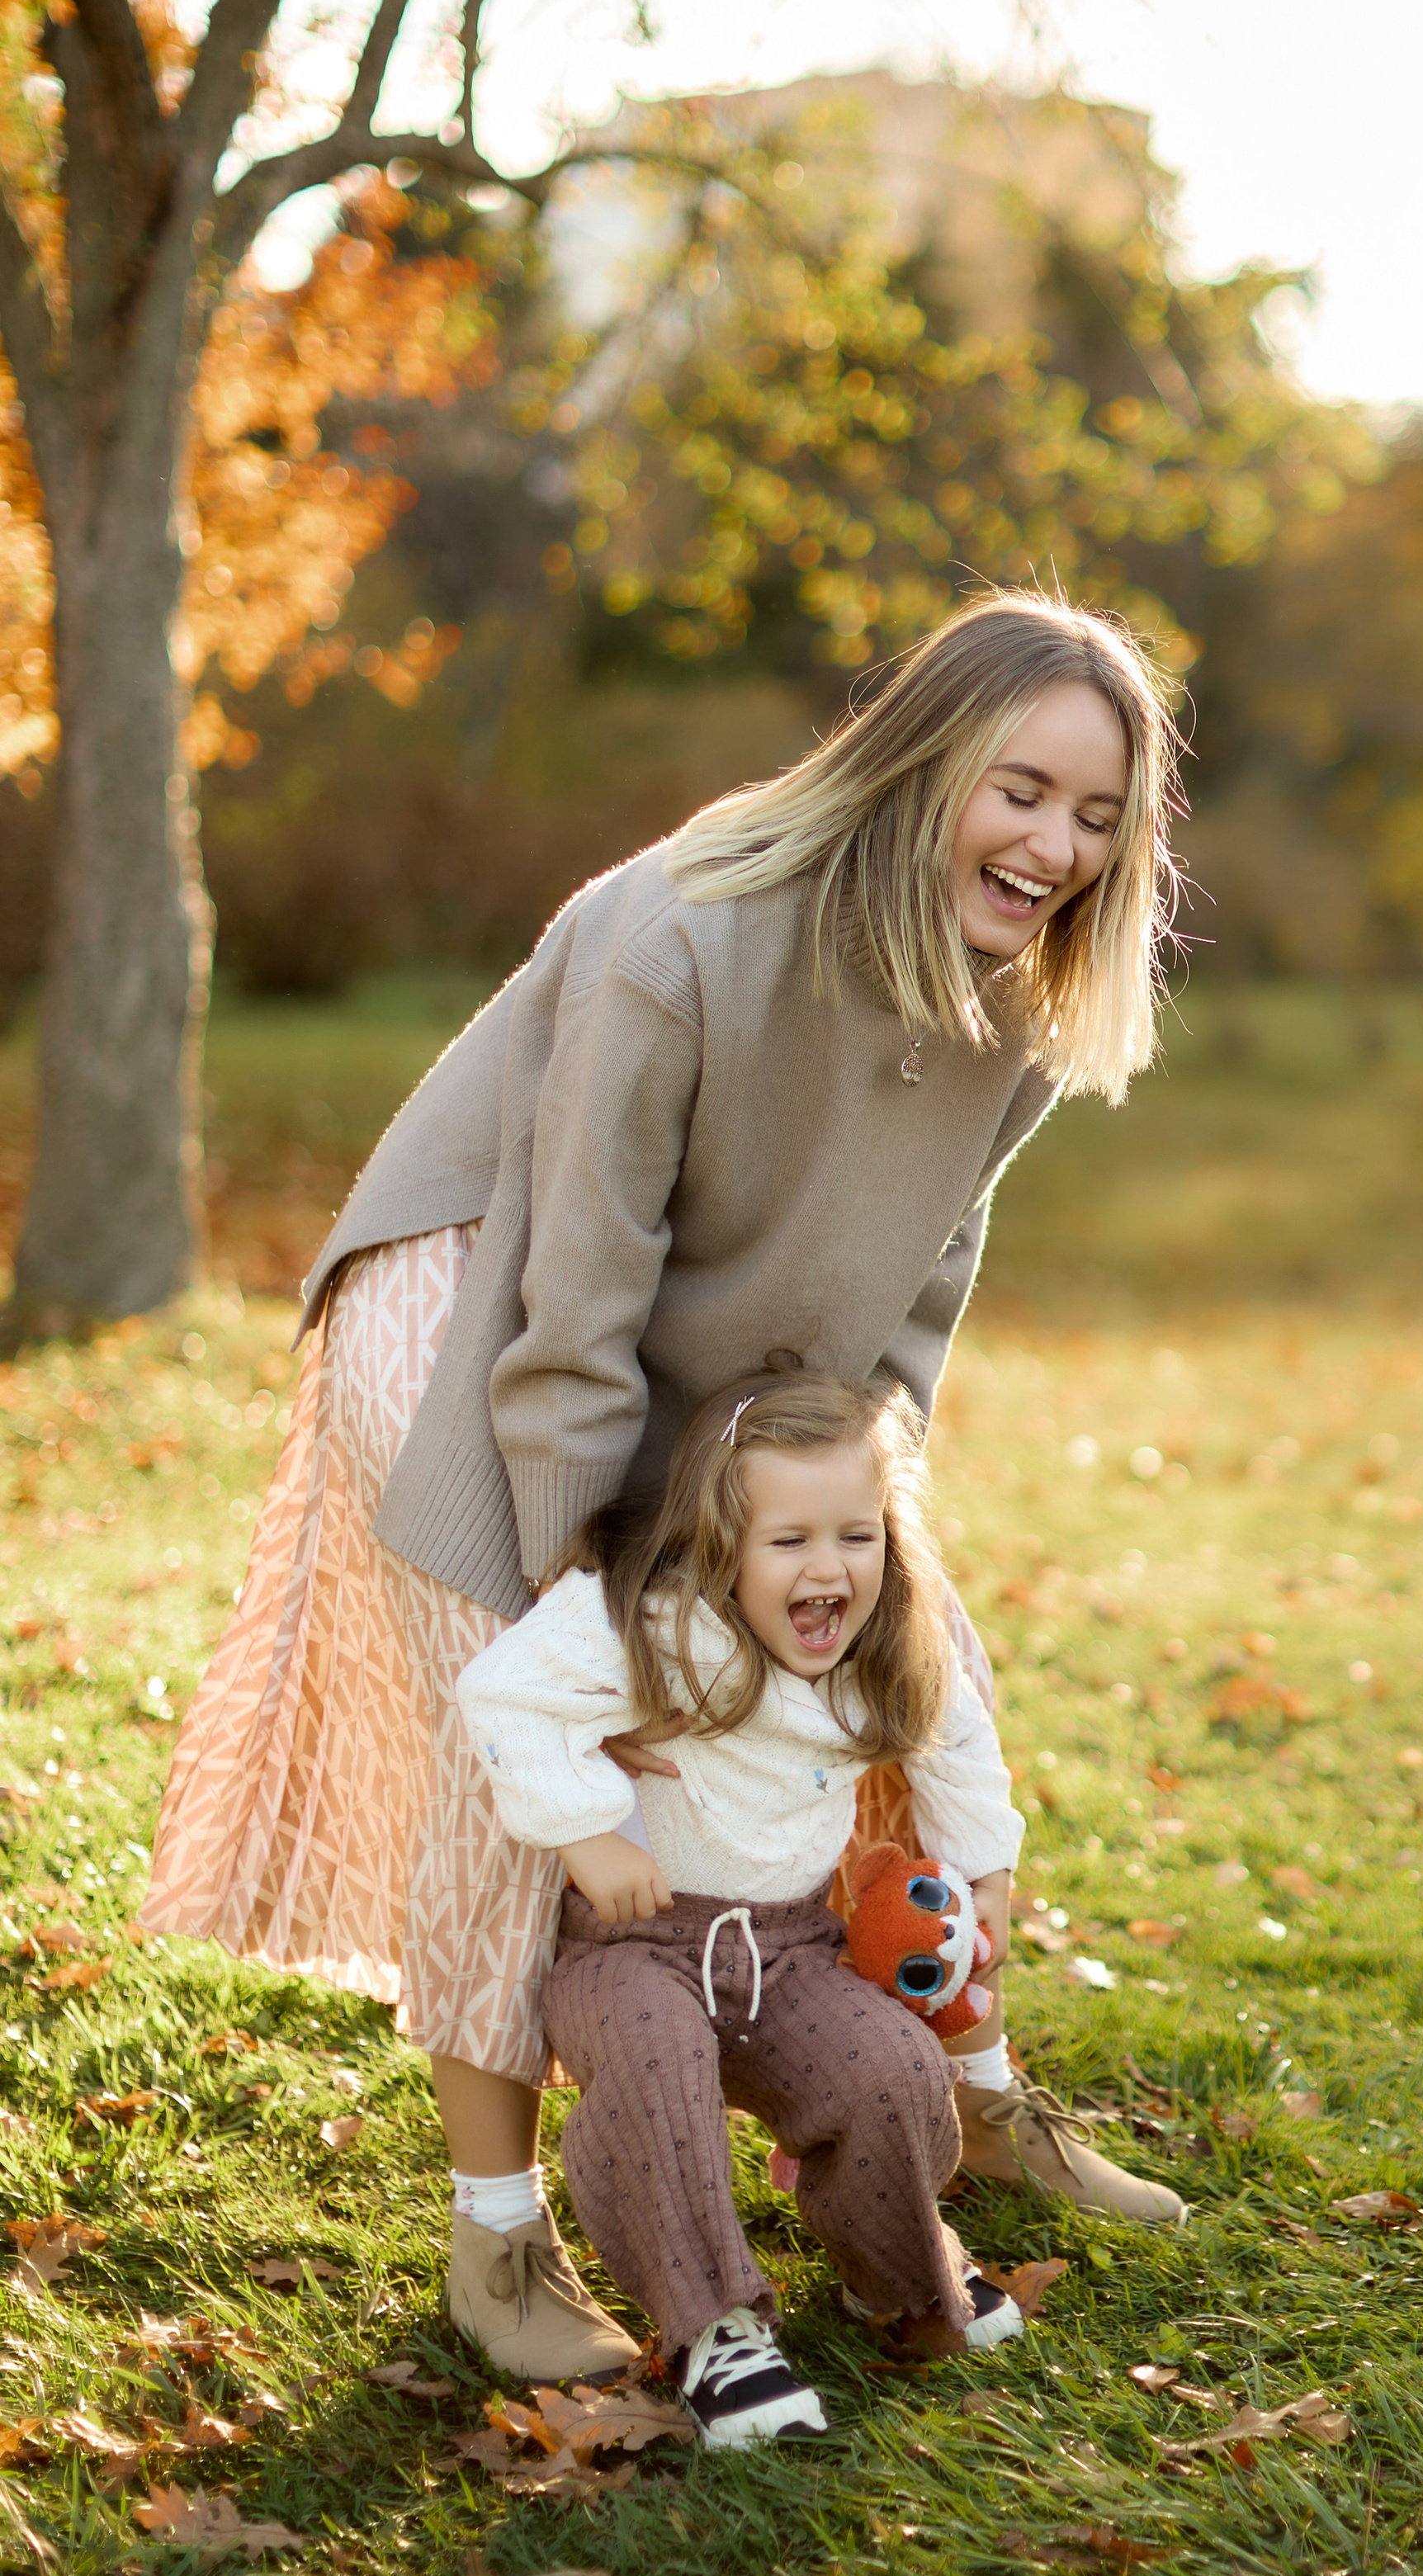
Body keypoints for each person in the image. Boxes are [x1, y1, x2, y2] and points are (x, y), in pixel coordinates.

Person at [144, 588, 1187, 2389]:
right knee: (530, 1757)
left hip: (724, 1345)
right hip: (477, 1305)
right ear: (918, 759)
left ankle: (960, 2085)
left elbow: (923, 1277)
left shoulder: (1016, 997)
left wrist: (874, 1507)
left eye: (1099, 818)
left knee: (895, 1668)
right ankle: (495, 2240)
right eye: (1021, 791)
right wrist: (581, 1594)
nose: (1055, 847)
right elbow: (577, 1286)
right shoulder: (684, 932)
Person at [460, 1367, 1023, 2445]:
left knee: (891, 2067)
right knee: (658, 2060)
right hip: (634, 1947)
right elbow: (505, 1694)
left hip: (794, 1945)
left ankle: (898, 2275)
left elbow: (955, 1731)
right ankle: (715, 2331)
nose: (828, 1569)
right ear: (723, 1542)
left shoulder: (881, 1643)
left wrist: (983, 1867)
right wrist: (585, 1830)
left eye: (855, 1537)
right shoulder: (658, 1621)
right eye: (789, 1542)